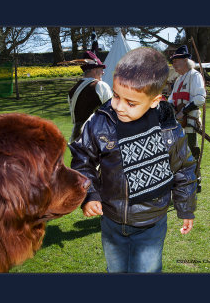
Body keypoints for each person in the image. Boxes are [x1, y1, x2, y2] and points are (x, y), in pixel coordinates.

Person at [69, 47, 197, 273]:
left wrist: (186, 208)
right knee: (116, 271)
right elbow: (83, 160)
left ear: (155, 100)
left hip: (152, 223)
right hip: (112, 221)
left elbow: (184, 169)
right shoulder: (101, 122)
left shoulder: (169, 129)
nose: (118, 106)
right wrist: (89, 194)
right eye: (116, 95)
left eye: (131, 102)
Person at [167, 45, 206, 192]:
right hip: (178, 124)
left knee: (191, 153)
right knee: (179, 155)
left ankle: (196, 182)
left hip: (189, 123)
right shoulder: (178, 80)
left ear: (186, 61)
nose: (174, 64)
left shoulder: (194, 76)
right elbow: (171, 100)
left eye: (177, 61)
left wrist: (183, 111)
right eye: (173, 61)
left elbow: (200, 98)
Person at [68, 50, 112, 142]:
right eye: (101, 69)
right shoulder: (100, 85)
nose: (103, 72)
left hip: (76, 138)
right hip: (97, 138)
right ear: (94, 70)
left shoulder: (73, 89)